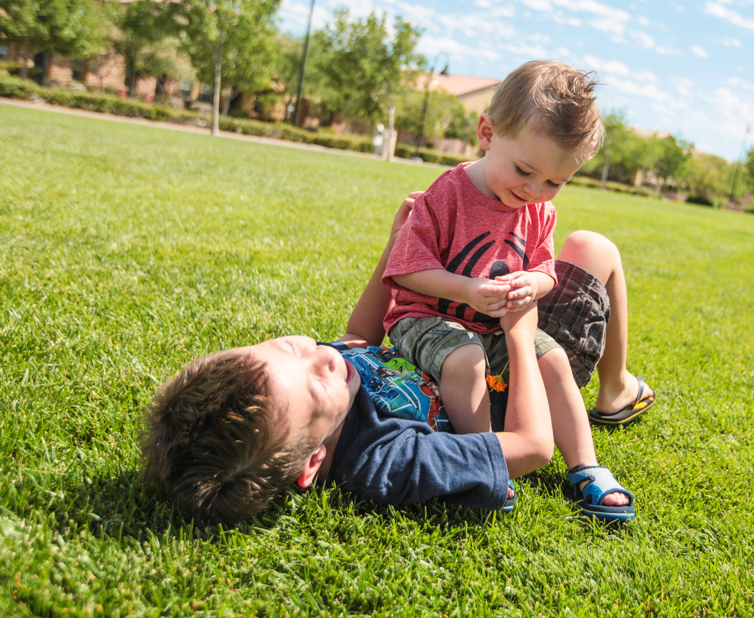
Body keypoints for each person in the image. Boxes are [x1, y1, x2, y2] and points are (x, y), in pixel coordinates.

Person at [143, 194, 654, 525]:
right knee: (595, 249)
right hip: (529, 382)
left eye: (287, 346)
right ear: (313, 462)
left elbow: (356, 338)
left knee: (583, 245)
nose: (319, 357)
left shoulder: (330, 372)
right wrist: (522, 333)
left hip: (472, 328)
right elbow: (533, 445)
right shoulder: (382, 460)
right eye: (316, 381)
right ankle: (611, 391)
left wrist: (395, 247)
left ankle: (616, 389)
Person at [383, 60, 648, 519]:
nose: (534, 189)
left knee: (554, 358)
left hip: (494, 324)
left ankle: (585, 466)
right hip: (424, 319)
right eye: (525, 169)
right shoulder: (448, 193)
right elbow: (406, 269)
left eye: (554, 182)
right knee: (467, 358)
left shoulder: (539, 211)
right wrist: (465, 289)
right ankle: (483, 461)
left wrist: (536, 282)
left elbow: (546, 268)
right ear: (487, 132)